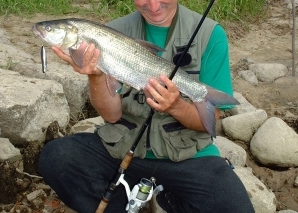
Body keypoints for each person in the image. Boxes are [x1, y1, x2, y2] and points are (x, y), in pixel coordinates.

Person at [38, 0, 255, 212]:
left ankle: (169, 198)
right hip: (122, 149)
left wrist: (175, 106)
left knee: (235, 206)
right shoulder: (114, 30)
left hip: (188, 157)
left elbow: (207, 124)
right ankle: (122, 205)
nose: (152, 6)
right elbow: (112, 116)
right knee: (56, 158)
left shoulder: (211, 35)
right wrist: (96, 76)